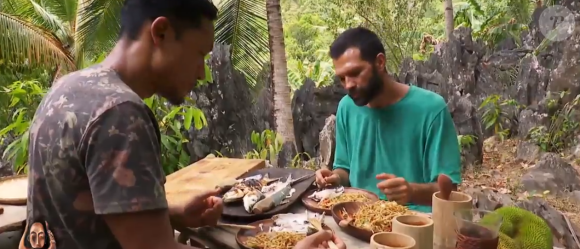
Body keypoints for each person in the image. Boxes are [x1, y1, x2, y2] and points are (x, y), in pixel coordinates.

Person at [26, 0, 345, 248]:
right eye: (199, 54)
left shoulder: (67, 88)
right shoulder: (120, 114)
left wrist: (171, 215)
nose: (202, 73)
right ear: (160, 33)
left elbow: (83, 214)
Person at [315, 27, 461, 213]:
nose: (348, 84)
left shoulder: (431, 109)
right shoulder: (346, 107)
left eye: (355, 73)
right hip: (357, 216)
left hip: (415, 223)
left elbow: (449, 191)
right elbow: (345, 170)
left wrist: (411, 192)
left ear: (380, 62)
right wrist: (335, 177)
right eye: (342, 78)